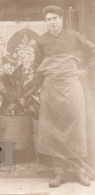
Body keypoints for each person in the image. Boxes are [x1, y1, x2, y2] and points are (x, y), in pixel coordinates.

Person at [34, 5, 95, 187]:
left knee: (76, 129)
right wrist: (38, 88)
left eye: (55, 18)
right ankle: (59, 173)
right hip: (51, 87)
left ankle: (80, 172)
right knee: (54, 131)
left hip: (71, 86)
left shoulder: (74, 36)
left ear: (61, 19)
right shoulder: (41, 41)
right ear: (45, 22)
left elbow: (93, 51)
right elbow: (36, 65)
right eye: (48, 19)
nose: (52, 22)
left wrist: (85, 70)